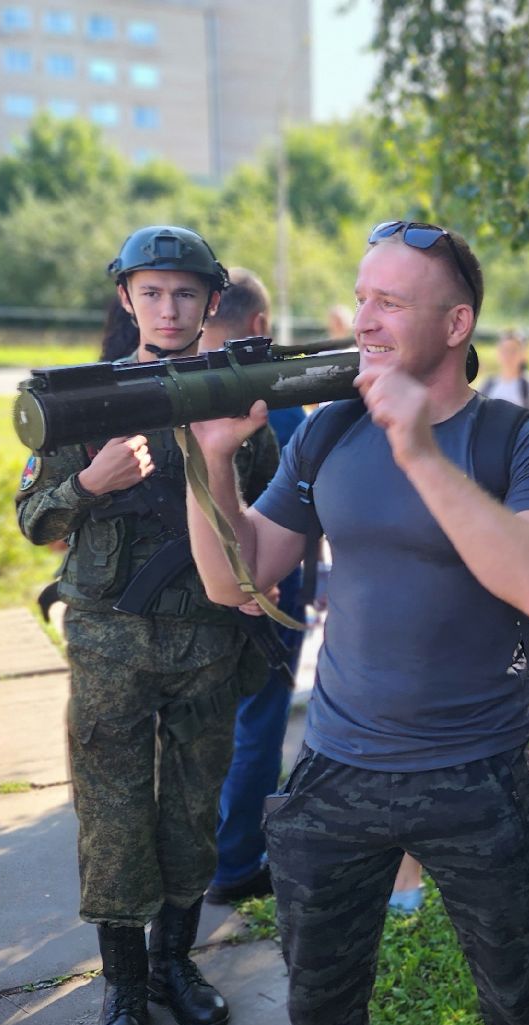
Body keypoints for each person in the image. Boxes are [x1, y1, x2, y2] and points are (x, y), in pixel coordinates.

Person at [184, 220, 529, 1025]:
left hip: (481, 775)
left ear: (456, 324)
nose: (365, 319)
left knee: (519, 1017)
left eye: (390, 302)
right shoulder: (327, 433)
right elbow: (236, 578)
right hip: (337, 771)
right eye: (362, 298)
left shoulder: (520, 442)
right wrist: (214, 464)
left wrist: (418, 448)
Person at [15, 227, 279, 1025]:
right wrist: (89, 485)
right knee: (116, 815)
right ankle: (124, 982)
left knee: (194, 807)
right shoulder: (82, 399)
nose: (170, 309)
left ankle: (175, 962)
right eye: (153, 292)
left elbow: (267, 516)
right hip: (111, 642)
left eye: (187, 294)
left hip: (206, 639)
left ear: (210, 303)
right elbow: (33, 518)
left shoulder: (234, 393)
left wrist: (223, 456)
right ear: (126, 298)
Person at [202, 269, 308, 907]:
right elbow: (304, 497)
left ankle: (200, 852)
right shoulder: (275, 391)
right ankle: (236, 859)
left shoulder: (178, 383)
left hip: (191, 591)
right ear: (260, 326)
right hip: (265, 582)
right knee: (258, 719)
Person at [481, 330, 529, 409]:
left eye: (513, 350)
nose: (508, 355)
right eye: (504, 350)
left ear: (524, 354)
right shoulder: (488, 384)